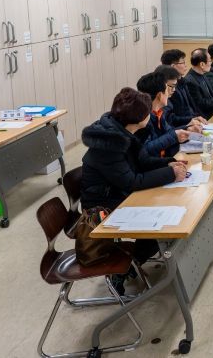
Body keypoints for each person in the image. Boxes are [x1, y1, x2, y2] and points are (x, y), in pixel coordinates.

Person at [80, 88, 187, 290]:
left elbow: (142, 161)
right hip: (102, 205)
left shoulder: (124, 131)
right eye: (147, 112)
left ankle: (133, 261)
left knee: (167, 210)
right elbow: (132, 182)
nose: (150, 114)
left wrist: (168, 164)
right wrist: (169, 174)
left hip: (118, 191)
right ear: (138, 118)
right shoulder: (109, 145)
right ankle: (127, 266)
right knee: (160, 225)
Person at [136, 71, 198, 158]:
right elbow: (145, 149)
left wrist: (187, 128)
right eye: (166, 90)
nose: (169, 93)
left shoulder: (159, 112)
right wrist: (174, 136)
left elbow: (169, 132)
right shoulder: (142, 118)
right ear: (160, 95)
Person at [159, 49, 207, 128]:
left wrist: (197, 118)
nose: (186, 65)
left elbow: (193, 107)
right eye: (183, 63)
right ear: (173, 66)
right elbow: (172, 119)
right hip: (183, 127)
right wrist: (190, 121)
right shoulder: (169, 88)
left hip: (192, 123)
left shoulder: (183, 82)